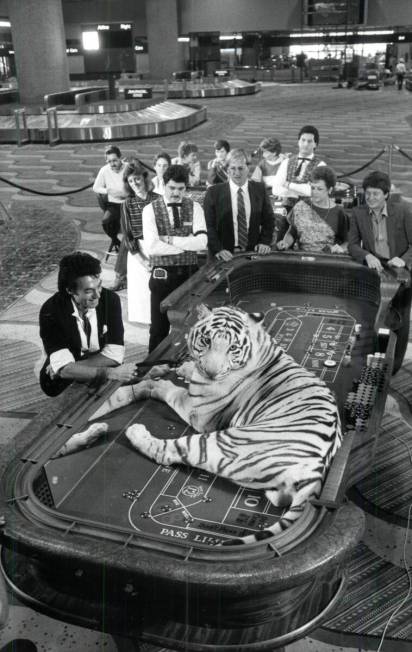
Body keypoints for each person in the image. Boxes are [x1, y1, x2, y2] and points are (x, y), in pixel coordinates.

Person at [39, 252, 137, 397]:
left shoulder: (111, 300)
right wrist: (111, 373)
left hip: (84, 362)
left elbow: (115, 355)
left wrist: (68, 369)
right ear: (70, 290)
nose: (97, 295)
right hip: (70, 367)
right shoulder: (51, 311)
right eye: (89, 291)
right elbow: (66, 368)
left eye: (99, 286)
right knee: (52, 385)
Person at [348, 170, 412, 372]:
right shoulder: (358, 213)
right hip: (375, 268)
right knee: (374, 316)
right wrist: (367, 255)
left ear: (386, 194)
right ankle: (371, 362)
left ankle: (394, 367)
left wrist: (402, 260)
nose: (370, 198)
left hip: (400, 269)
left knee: (399, 320)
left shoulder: (403, 211)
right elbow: (351, 245)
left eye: (375, 194)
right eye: (367, 193)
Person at [141, 164, 207, 352]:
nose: (176, 193)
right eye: (172, 188)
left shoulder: (195, 207)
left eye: (181, 188)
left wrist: (169, 240)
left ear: (186, 187)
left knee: (192, 326)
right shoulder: (150, 210)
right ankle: (150, 369)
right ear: (163, 184)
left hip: (189, 276)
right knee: (158, 329)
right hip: (163, 277)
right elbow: (152, 247)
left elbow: (202, 242)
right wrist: (186, 246)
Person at [204, 148, 274, 261]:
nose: (237, 173)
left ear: (248, 168)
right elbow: (208, 226)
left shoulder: (259, 189)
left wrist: (264, 242)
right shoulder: (213, 193)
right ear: (227, 170)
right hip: (222, 255)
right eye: (233, 168)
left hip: (251, 254)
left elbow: (269, 220)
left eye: (241, 168)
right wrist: (218, 249)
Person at [121, 159, 160, 324]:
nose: (134, 183)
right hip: (138, 251)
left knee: (158, 289)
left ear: (144, 177)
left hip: (159, 248)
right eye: (130, 181)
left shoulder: (159, 199)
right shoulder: (127, 204)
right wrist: (143, 260)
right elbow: (128, 236)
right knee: (142, 292)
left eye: (136, 178)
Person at [276, 165, 348, 253]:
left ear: (330, 189)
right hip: (302, 258)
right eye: (313, 188)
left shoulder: (338, 213)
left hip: (328, 260)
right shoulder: (300, 206)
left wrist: (339, 249)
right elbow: (292, 232)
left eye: (320, 189)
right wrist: (285, 243)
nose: (315, 192)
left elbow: (348, 242)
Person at [271, 125, 325, 208]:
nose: (305, 144)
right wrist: (301, 191)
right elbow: (276, 189)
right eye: (303, 140)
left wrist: (288, 185)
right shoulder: (286, 162)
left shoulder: (321, 166)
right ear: (298, 142)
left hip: (311, 209)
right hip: (287, 208)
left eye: (309, 141)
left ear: (315, 144)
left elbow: (313, 191)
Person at [92, 145, 128, 249]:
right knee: (106, 222)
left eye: (115, 160)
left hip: (129, 202)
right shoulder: (104, 170)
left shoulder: (128, 167)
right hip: (114, 204)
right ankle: (117, 242)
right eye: (109, 161)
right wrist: (108, 191)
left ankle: (131, 245)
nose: (112, 164)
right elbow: (96, 187)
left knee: (132, 225)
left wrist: (127, 193)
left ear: (120, 157)